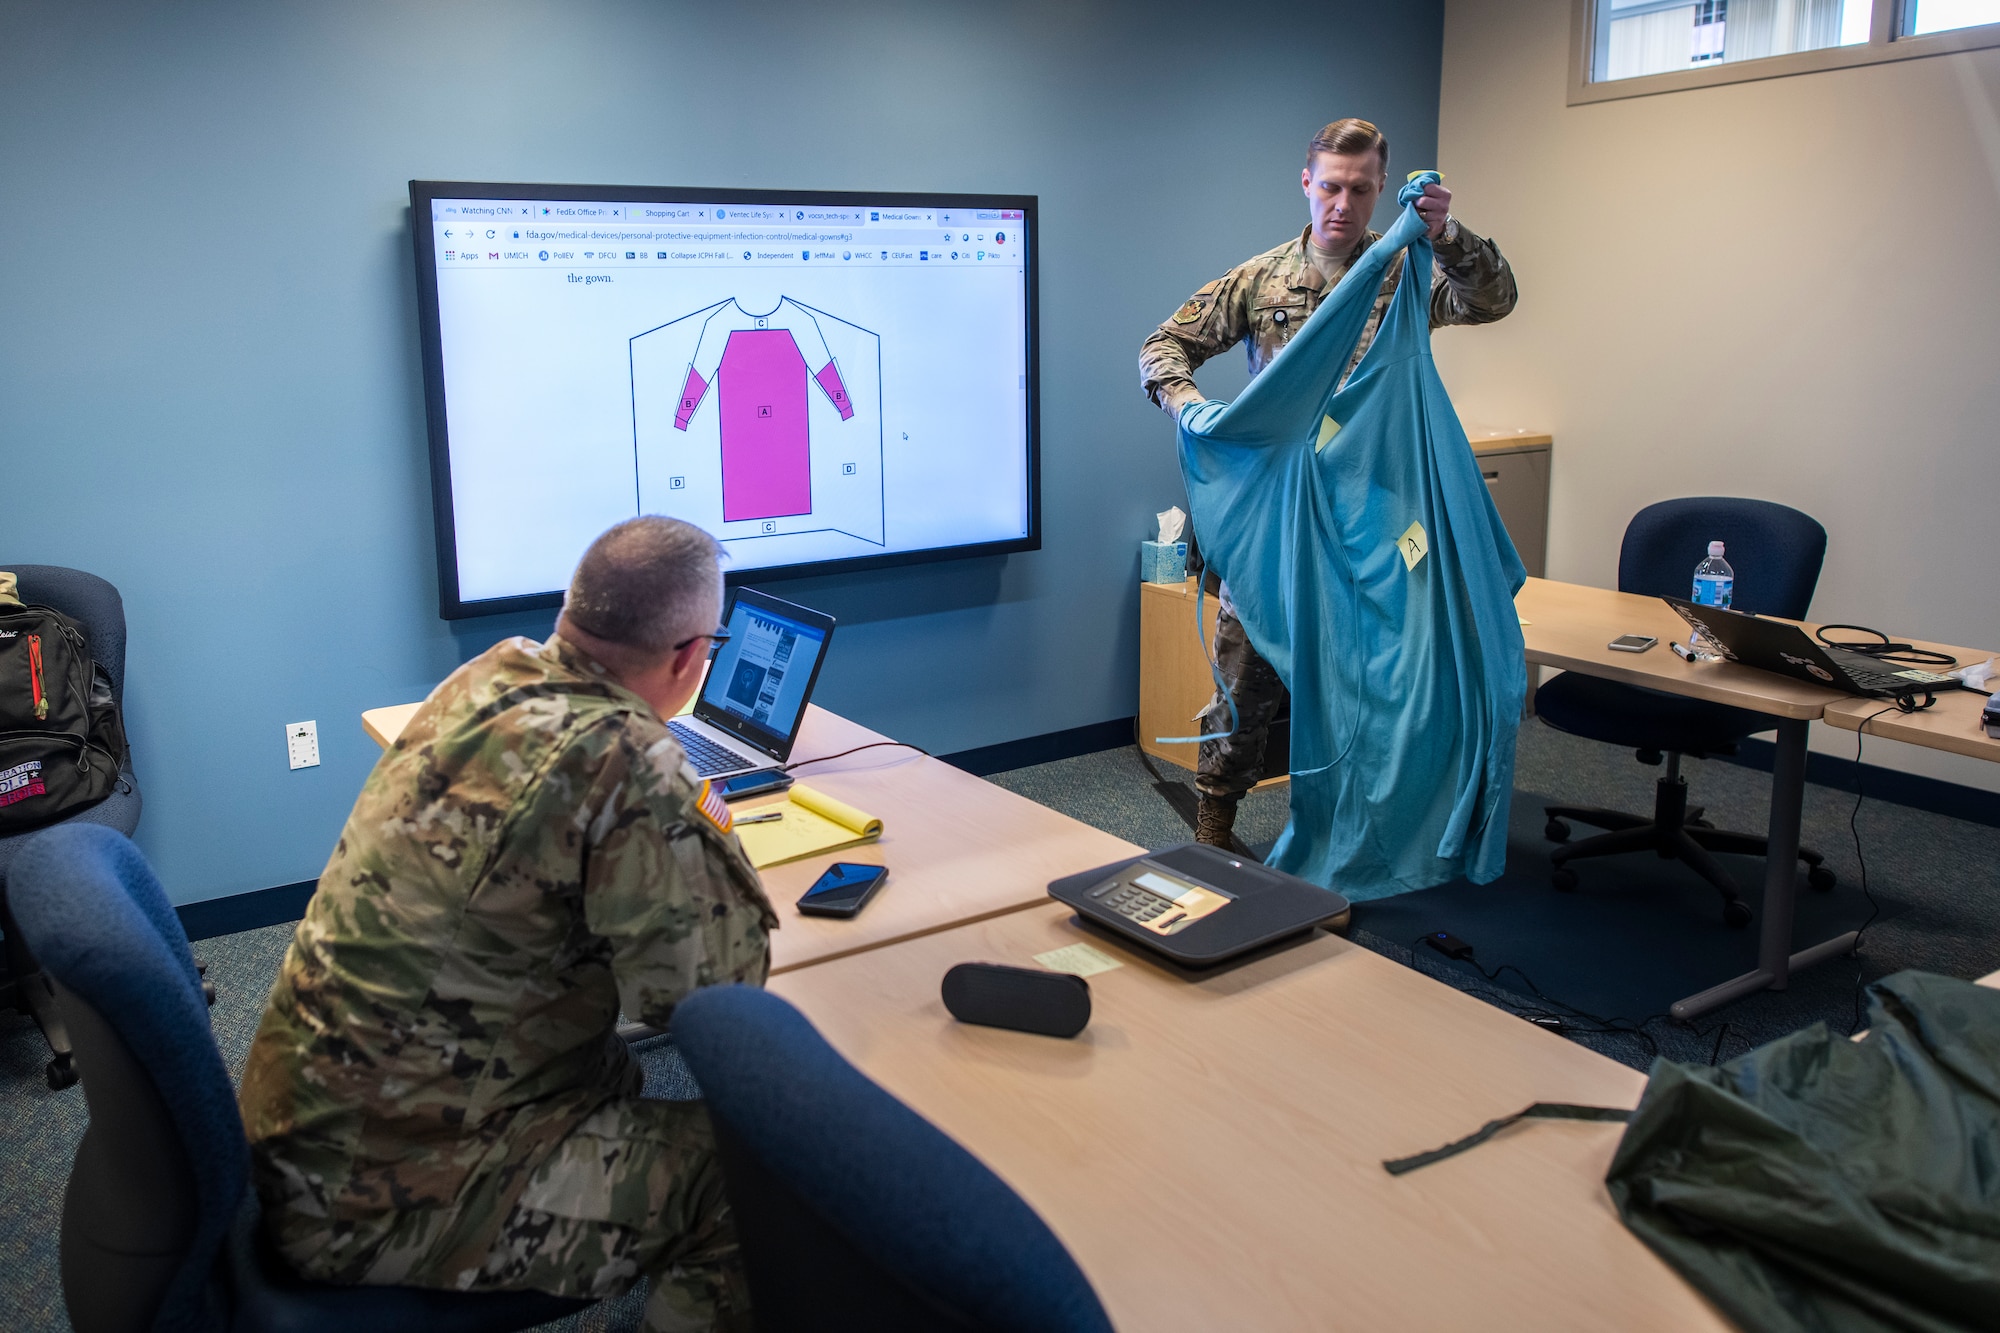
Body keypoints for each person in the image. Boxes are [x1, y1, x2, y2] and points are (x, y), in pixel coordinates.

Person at [237, 516, 776, 1333]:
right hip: (373, 1198)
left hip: (301, 1129)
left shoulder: (488, 676)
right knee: (756, 1184)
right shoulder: (628, 759)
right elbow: (717, 1010)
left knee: (620, 1079)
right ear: (689, 656)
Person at [1138, 117, 1518, 849]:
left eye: (1361, 189)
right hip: (1279, 518)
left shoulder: (1402, 269)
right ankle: (1215, 821)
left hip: (1371, 516)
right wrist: (1191, 409)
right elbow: (1164, 343)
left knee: (1374, 683)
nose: (1343, 204)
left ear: (1381, 190)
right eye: (1332, 187)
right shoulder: (1261, 278)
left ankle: (1360, 836)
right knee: (1244, 680)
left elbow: (1489, 300)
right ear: (1307, 183)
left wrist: (1446, 234)